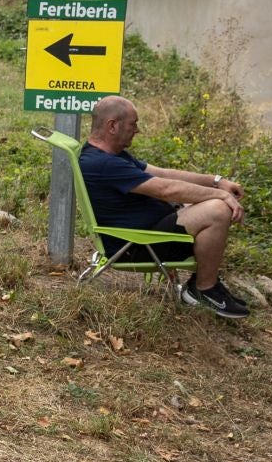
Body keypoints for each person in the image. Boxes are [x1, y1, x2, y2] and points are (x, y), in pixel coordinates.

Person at [79, 95, 250, 319]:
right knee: (218, 209)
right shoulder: (103, 164)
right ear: (113, 125)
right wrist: (221, 196)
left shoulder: (111, 156)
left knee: (204, 201)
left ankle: (208, 285)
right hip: (137, 245)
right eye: (133, 124)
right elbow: (166, 189)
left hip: (149, 233)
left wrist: (217, 181)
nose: (137, 130)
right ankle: (203, 290)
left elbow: (164, 174)